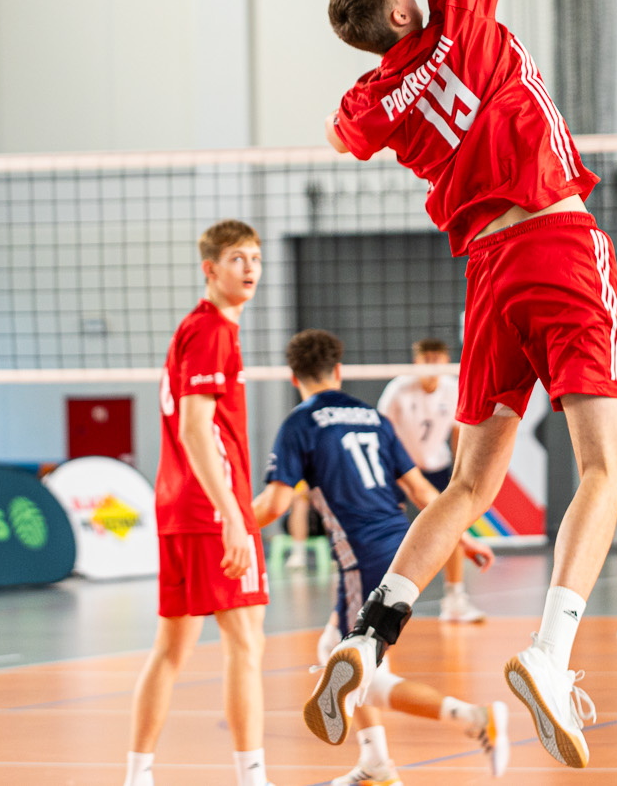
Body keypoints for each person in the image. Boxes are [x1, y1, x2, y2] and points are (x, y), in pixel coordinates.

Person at [308, 0, 617, 769]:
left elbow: (340, 124)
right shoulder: (465, 9)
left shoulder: (377, 101)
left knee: (468, 485)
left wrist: (379, 66)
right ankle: (550, 649)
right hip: (555, 238)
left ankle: (373, 633)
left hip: (485, 272)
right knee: (602, 466)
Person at [256, 331, 510, 786]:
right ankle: (377, 762)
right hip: (406, 543)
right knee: (352, 659)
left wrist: (224, 528)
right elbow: (418, 489)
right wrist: (462, 535)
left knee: (351, 661)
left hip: (362, 551)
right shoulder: (372, 415)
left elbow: (275, 504)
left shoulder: (301, 423)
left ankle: (472, 718)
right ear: (338, 371)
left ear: (295, 377)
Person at [126, 221, 271, 786]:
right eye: (238, 259)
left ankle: (137, 776)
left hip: (179, 505)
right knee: (245, 641)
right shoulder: (210, 330)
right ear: (210, 269)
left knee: (173, 646)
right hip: (210, 506)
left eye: (256, 258)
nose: (251, 268)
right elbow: (194, 429)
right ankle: (252, 777)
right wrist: (233, 515)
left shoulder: (197, 328)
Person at [378, 339, 485, 623]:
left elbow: (459, 432)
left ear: (446, 360)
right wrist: (396, 470)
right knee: (391, 531)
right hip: (400, 469)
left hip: (438, 466)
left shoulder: (452, 388)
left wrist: (461, 473)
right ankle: (384, 600)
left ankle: (454, 599)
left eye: (438, 358)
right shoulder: (398, 389)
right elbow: (383, 433)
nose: (433, 365)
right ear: (417, 362)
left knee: (451, 529)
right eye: (427, 359)